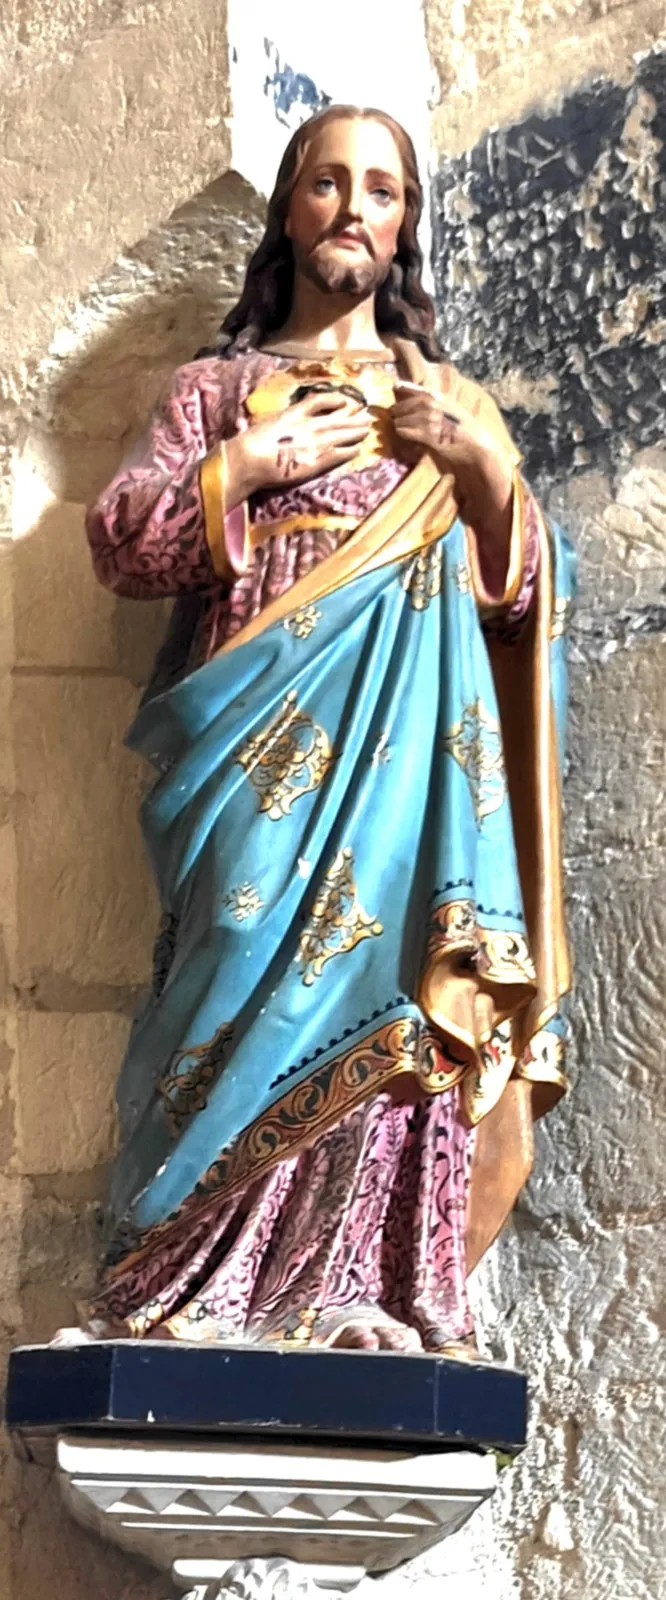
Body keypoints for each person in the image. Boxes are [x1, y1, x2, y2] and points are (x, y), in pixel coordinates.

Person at [84, 105, 574, 1355]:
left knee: (394, 986)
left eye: (382, 190)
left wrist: (485, 479)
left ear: (404, 227)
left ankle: (351, 1286)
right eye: (327, 183)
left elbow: (523, 608)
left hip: (413, 770)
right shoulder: (215, 392)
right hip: (250, 754)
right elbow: (120, 542)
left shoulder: (448, 400)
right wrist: (244, 467)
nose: (354, 207)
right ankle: (188, 1280)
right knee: (234, 955)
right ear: (290, 210)